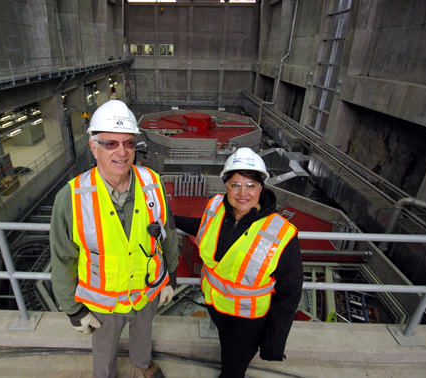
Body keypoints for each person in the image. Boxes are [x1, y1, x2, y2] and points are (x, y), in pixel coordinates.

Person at [50, 100, 178, 378]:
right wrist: (73, 310)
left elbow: (168, 236)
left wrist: (171, 278)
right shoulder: (71, 199)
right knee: (104, 351)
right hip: (103, 304)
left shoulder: (152, 184)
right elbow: (62, 260)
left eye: (129, 143)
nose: (122, 152)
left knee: (144, 336)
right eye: (110, 144)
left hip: (147, 293)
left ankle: (142, 363)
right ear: (94, 148)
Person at [174, 147, 303, 378]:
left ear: (261, 187)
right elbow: (203, 227)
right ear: (226, 185)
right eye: (235, 184)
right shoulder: (216, 208)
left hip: (247, 322)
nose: (243, 193)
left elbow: (289, 293)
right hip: (216, 307)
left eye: (251, 185)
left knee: (233, 369)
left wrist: (274, 341)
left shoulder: (280, 233)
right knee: (227, 352)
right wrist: (170, 221)